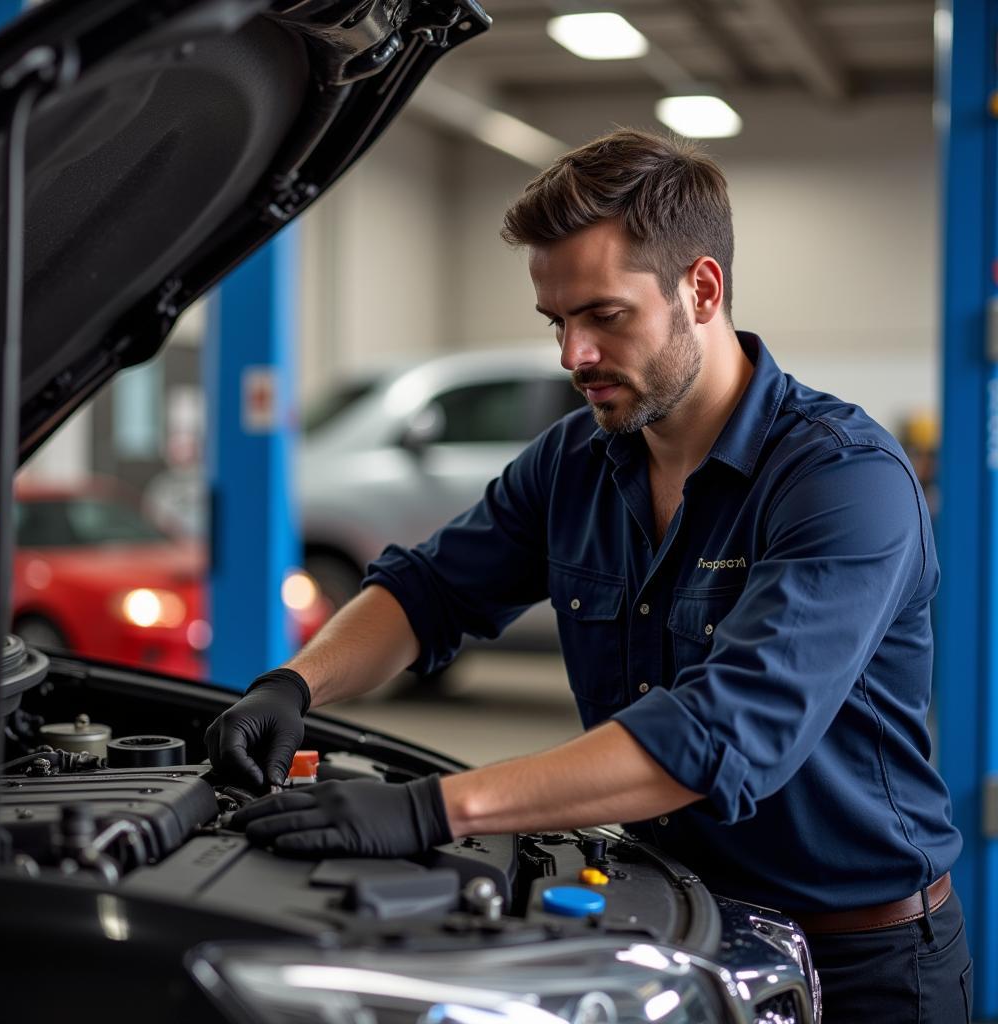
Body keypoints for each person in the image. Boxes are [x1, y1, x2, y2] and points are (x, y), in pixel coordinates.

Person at [206, 128, 971, 1021]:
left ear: (702, 288)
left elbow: (717, 735)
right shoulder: (575, 461)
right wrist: (294, 681)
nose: (573, 356)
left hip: (858, 965)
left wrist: (435, 810)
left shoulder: (844, 480)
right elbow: (428, 591)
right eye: (557, 322)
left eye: (605, 315)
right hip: (671, 930)